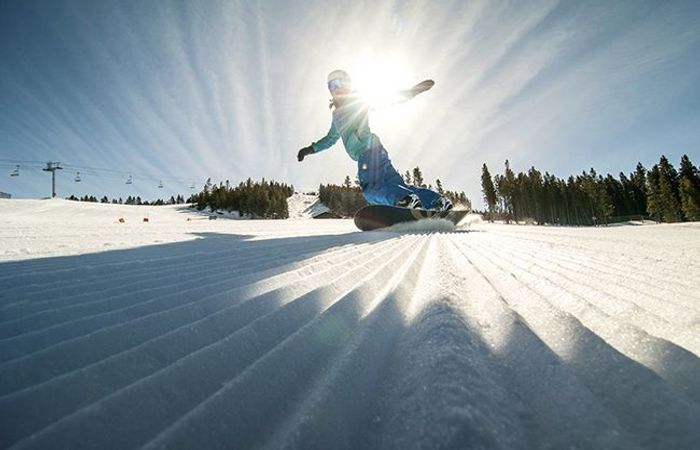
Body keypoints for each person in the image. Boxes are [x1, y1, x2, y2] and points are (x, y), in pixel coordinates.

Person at [297, 69, 452, 211]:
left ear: (349, 85)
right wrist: (309, 150)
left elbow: (386, 101)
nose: (336, 87)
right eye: (332, 85)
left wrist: (413, 91)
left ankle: (404, 200)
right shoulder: (337, 115)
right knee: (397, 185)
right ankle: (436, 202)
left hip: (367, 154)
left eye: (340, 83)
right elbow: (330, 139)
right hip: (378, 151)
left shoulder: (357, 102)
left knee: (371, 190)